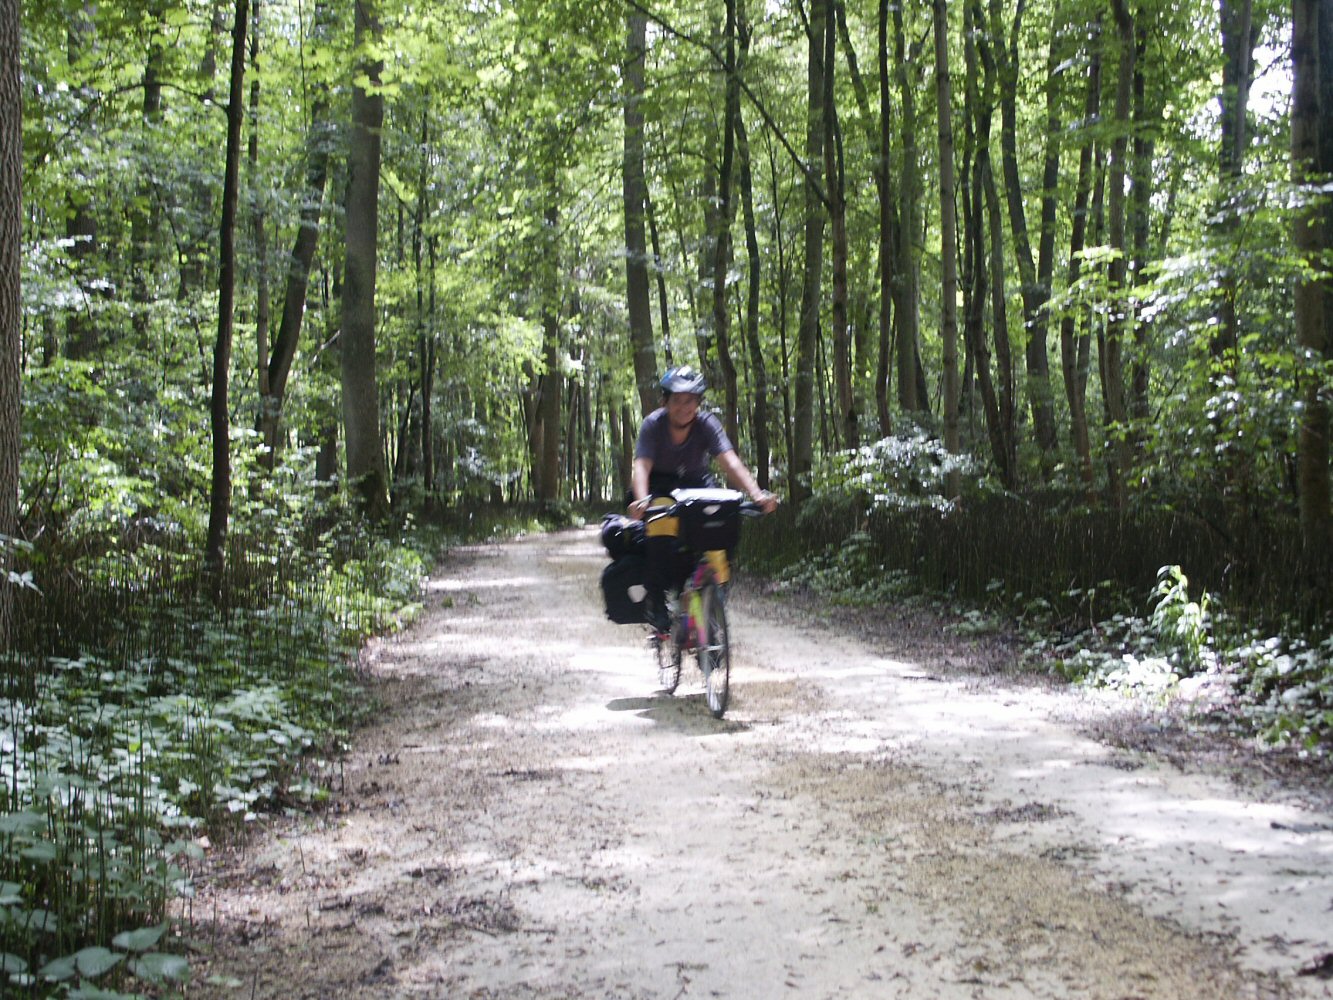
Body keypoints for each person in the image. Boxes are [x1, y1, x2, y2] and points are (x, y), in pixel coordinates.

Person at [628, 365, 778, 636]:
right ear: (665, 402)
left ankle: (710, 604)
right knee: (660, 525)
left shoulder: (707, 424)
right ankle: (657, 601)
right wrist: (641, 501)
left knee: (722, 525)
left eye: (690, 401)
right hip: (660, 484)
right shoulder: (653, 425)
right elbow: (642, 466)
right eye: (677, 400)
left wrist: (756, 494)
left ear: (698, 403)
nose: (684, 407)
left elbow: (730, 462)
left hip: (697, 483)